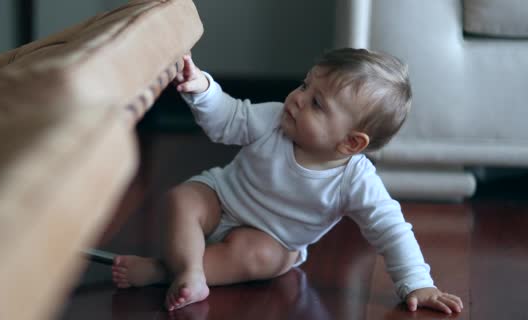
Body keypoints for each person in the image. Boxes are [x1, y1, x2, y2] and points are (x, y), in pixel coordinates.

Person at [111, 48, 464, 314]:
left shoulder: (355, 181)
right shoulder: (276, 119)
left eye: (317, 103)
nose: (297, 99)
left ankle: (168, 271)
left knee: (260, 257)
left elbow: (391, 229)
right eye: (304, 84)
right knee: (183, 199)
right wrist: (201, 88)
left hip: (273, 239)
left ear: (351, 142)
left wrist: (418, 283)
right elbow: (228, 118)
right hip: (222, 199)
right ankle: (187, 266)